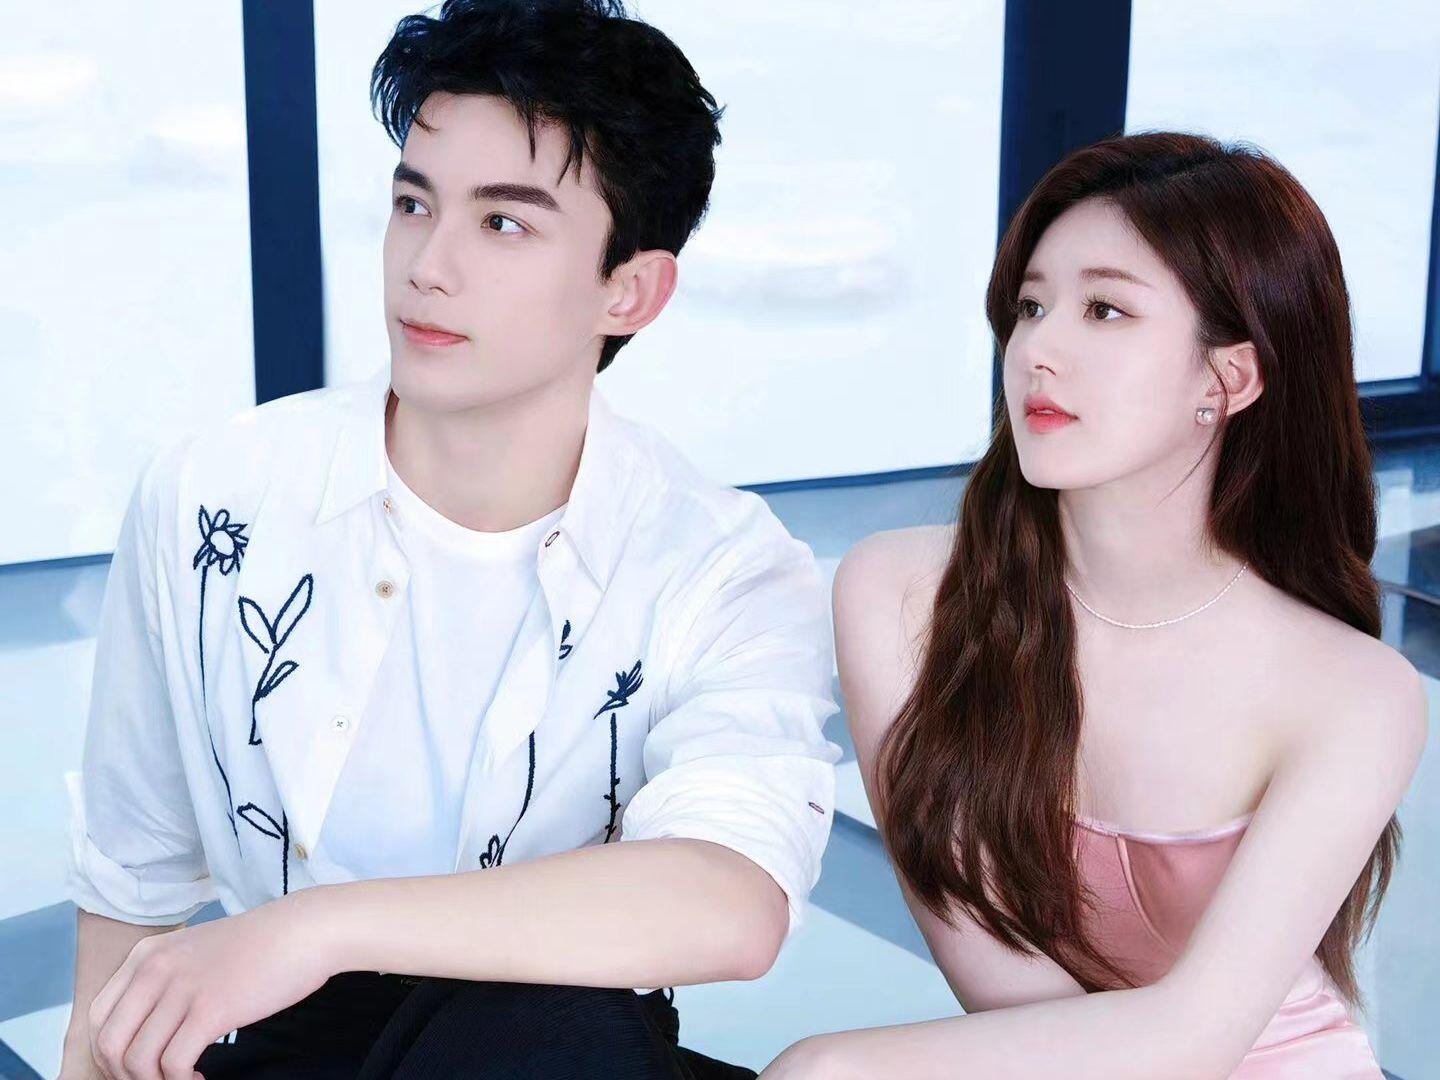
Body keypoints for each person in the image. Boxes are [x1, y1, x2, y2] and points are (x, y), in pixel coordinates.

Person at [58, 2, 842, 1077]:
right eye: (413, 203)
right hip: (277, 1052)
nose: (427, 265)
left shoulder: (721, 567)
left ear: (629, 291)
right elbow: (131, 888)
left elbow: (731, 897)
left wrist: (319, 930)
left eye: (503, 223)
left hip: (551, 1051)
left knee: (542, 1032)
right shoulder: (215, 495)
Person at [764, 132, 1428, 1078]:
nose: (1038, 348)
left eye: (1105, 310)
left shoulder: (1354, 690)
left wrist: (829, 1067)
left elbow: (1197, 1036)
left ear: (1229, 377)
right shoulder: (898, 595)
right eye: (1031, 307)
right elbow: (1000, 978)